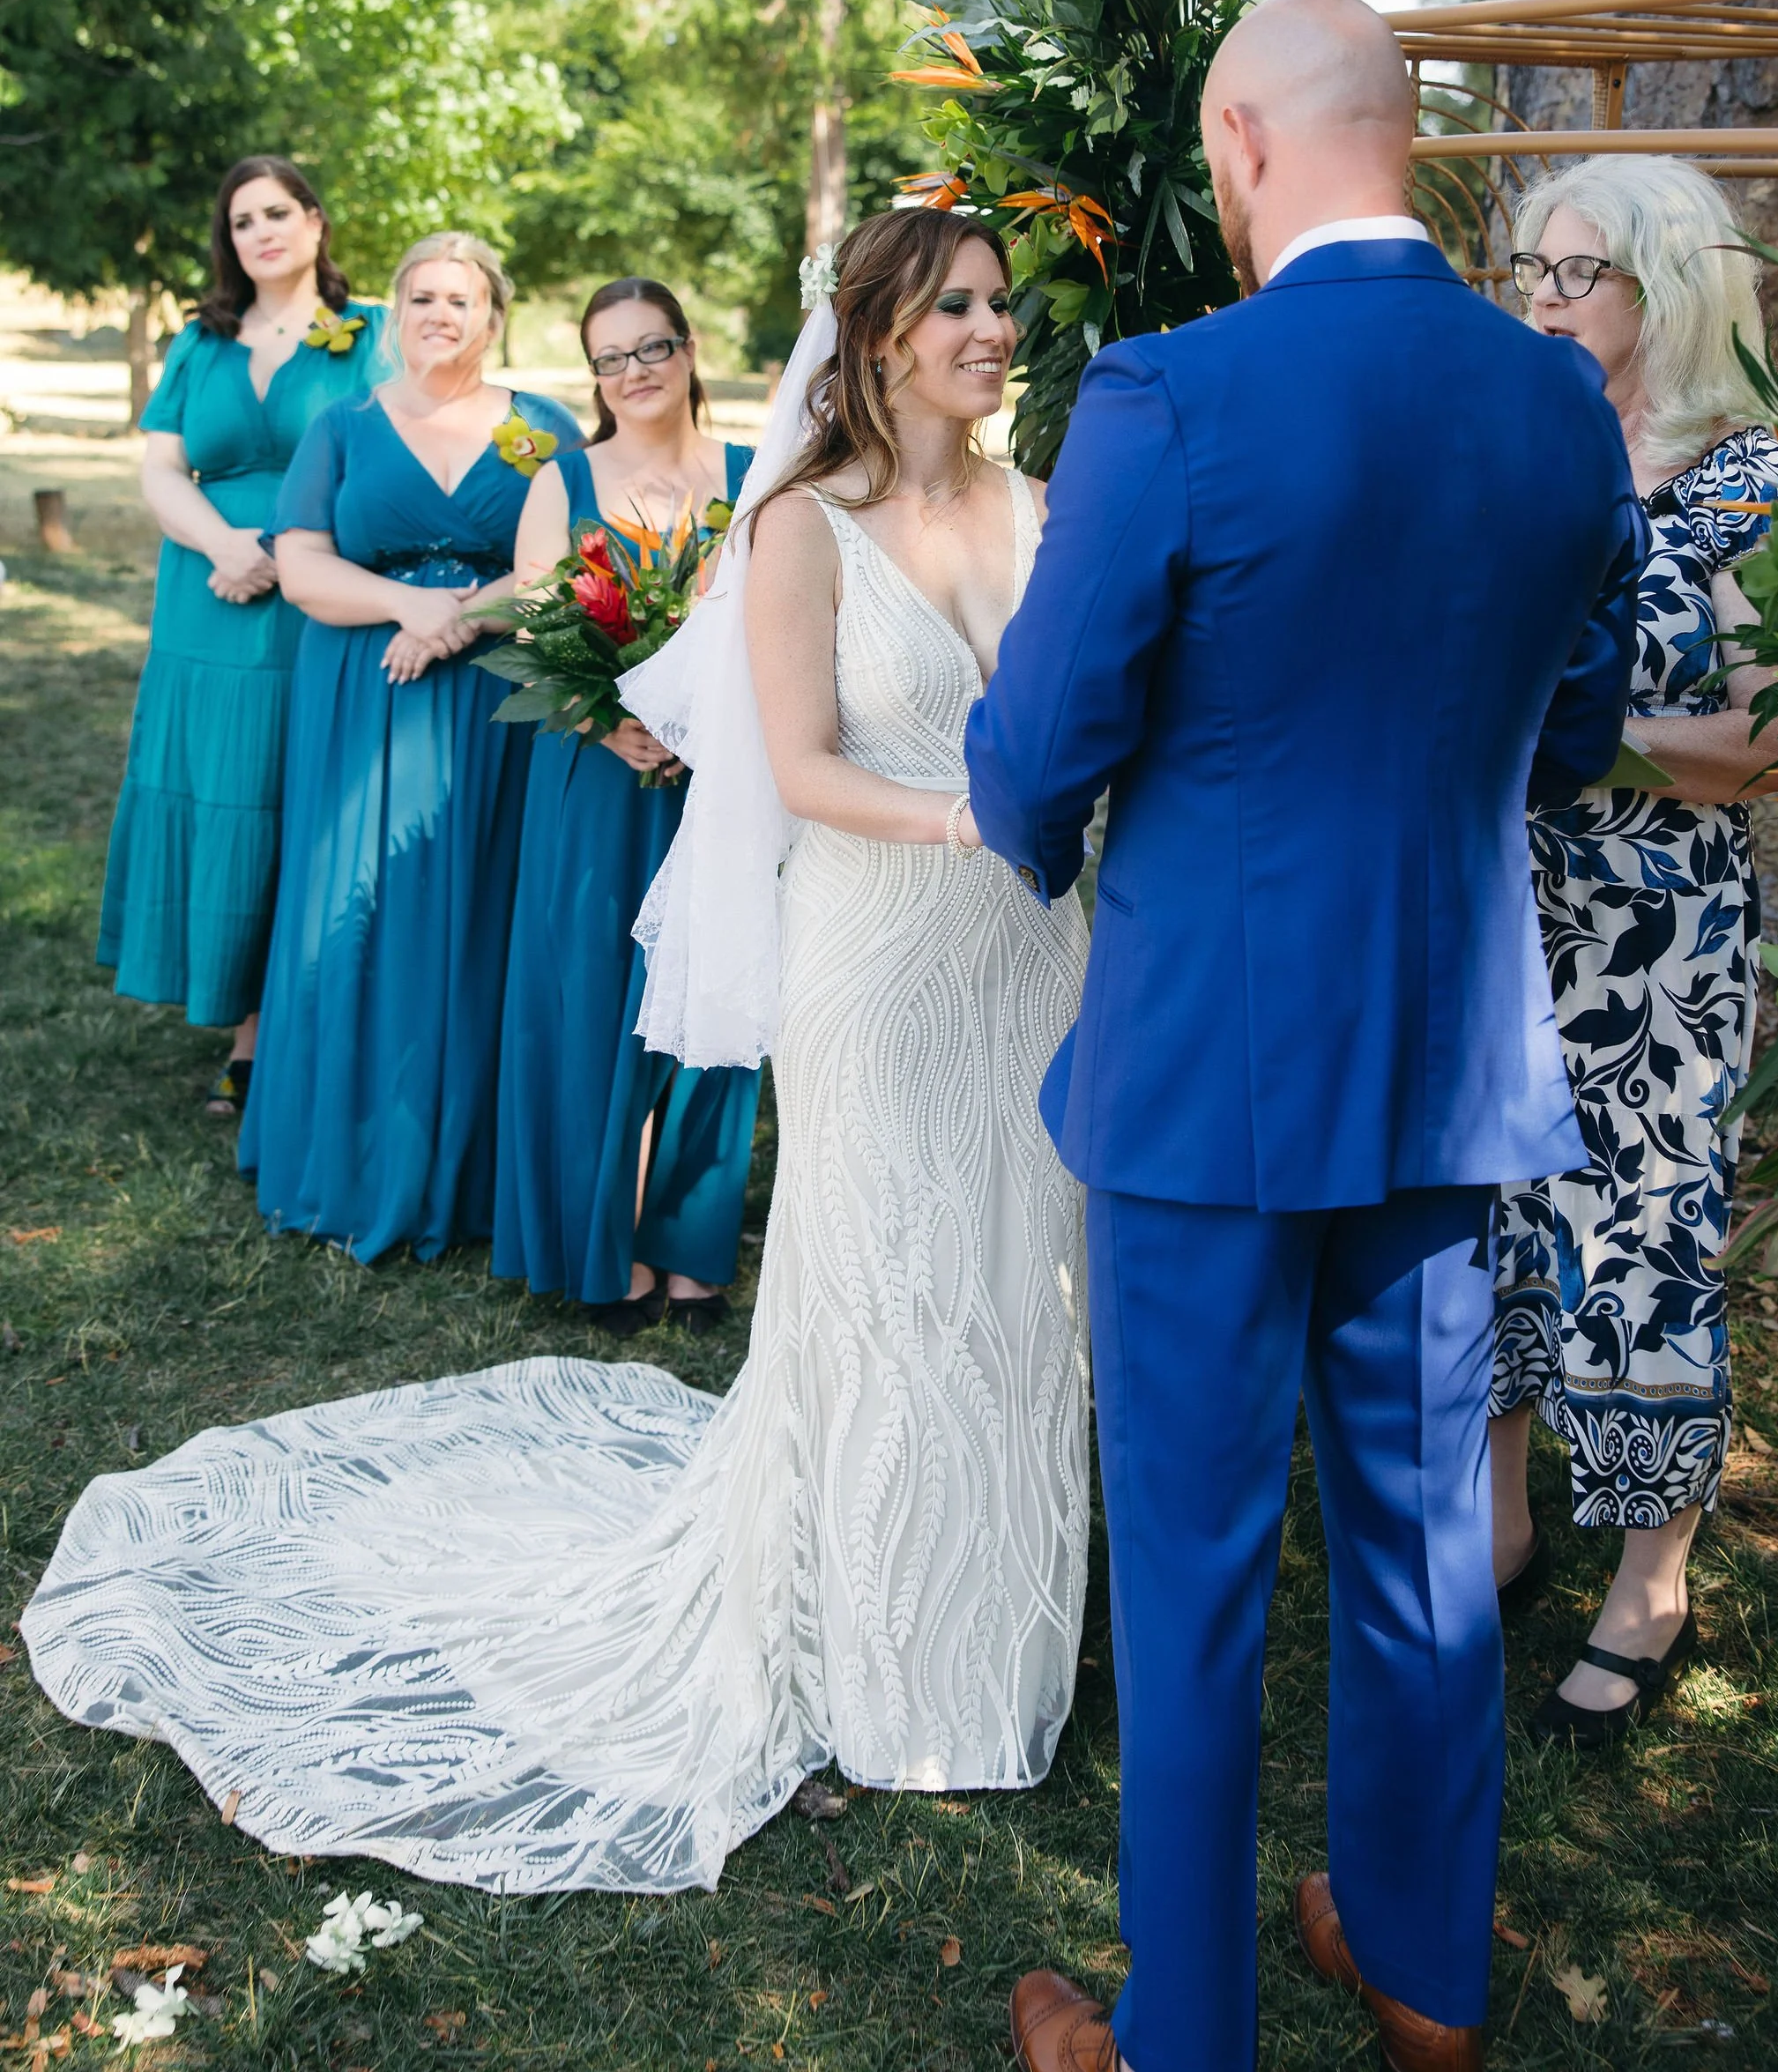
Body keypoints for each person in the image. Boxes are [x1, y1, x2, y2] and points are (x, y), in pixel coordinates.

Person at [22, 208, 1089, 1898]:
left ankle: (993, 1630)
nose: (987, 327)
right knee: (890, 1279)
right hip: (881, 947)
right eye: (952, 305)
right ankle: (885, 1653)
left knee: (1015, 1275)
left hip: (1032, 957)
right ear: (878, 339)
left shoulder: (1035, 505)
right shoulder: (806, 523)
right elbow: (803, 770)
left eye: (996, 303)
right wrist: (980, 817)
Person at [969, 0, 1645, 2072]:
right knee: (1425, 1551)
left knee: (1189, 1581)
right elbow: (1579, 728)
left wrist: (1087, 802)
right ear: (1402, 137)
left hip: (1198, 1075)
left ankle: (1177, 2035)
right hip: (1440, 1067)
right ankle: (1426, 1975)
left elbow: (1032, 760)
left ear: (1241, 142)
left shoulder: (1170, 393)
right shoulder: (1554, 399)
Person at [1490, 155, 1778, 1748]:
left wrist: (1583, 739)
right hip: (1503, 907)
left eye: (1573, 274)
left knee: (1640, 1242)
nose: (1541, 301)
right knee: (1491, 1219)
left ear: (1663, 286)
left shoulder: (1754, 482)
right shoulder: (1530, 443)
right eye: (1528, 273)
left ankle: (1647, 1584)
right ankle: (1498, 1521)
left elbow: (1769, 731)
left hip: (1656, 937)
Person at [237, 232, 581, 1261]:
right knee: (354, 908)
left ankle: (471, 1169)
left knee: (477, 913)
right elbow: (301, 568)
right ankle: (344, 1154)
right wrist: (412, 607)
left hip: (496, 711)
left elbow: (562, 567)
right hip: (362, 697)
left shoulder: (537, 430)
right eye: (422, 297)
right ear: (392, 312)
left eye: (462, 300)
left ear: (493, 317)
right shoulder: (342, 427)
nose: (440, 314)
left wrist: (465, 619)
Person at [494, 276, 760, 1331]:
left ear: (688, 350)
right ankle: (609, 1244)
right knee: (600, 1000)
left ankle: (693, 1245)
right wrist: (609, 721)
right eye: (609, 359)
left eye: (651, 348)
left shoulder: (751, 473)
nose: (633, 372)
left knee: (714, 1001)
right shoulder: (565, 478)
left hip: (722, 780)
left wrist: (715, 726)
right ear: (593, 378)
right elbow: (534, 623)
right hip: (598, 778)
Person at [97, 157, 383, 1114]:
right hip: (206, 598)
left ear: (314, 220)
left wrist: (291, 554)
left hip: (314, 602)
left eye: (276, 212)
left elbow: (390, 456)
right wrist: (227, 545)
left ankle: (293, 1033)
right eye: (241, 220)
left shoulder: (368, 335)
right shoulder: (201, 341)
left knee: (288, 800)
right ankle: (239, 1029)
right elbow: (162, 470)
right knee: (219, 798)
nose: (259, 232)